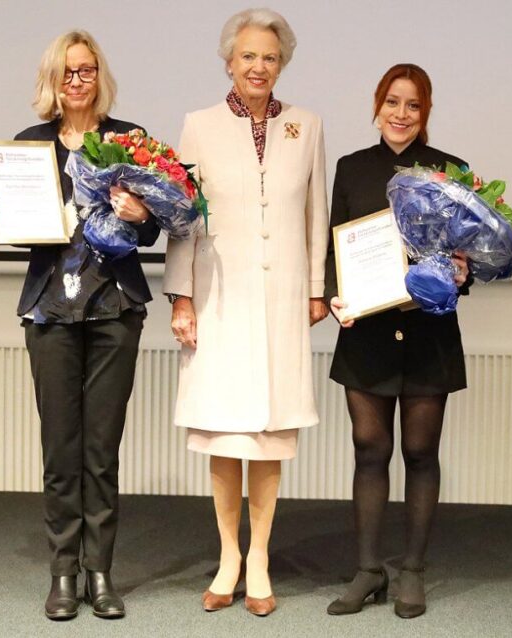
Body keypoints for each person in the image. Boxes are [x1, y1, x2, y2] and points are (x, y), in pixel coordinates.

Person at [0, 30, 159, 621]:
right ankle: (62, 573)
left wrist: (143, 212)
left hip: (114, 309)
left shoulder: (131, 142)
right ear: (52, 81)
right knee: (61, 447)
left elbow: (158, 227)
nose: (77, 81)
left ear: (100, 76)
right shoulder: (26, 148)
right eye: (67, 72)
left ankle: (100, 572)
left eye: (87, 70)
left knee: (101, 450)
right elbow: (24, 230)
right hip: (51, 311)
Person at [162, 8, 329, 618]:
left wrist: (315, 287)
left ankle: (259, 555)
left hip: (282, 297)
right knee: (227, 433)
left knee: (267, 433)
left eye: (271, 57)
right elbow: (182, 219)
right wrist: (181, 295)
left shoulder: (305, 125)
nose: (260, 66)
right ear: (229, 62)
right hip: (219, 298)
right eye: (249, 56)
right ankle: (228, 555)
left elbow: (316, 211)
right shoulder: (199, 126)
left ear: (282, 64)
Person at [323, 63, 472, 619]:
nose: (401, 114)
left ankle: (411, 571)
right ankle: (368, 570)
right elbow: (333, 247)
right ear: (377, 104)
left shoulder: (449, 172)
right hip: (368, 333)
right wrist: (336, 294)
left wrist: (462, 271)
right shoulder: (352, 168)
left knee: (419, 452)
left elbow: (468, 258)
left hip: (429, 333)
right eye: (392, 102)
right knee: (369, 450)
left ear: (425, 111)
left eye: (413, 105)